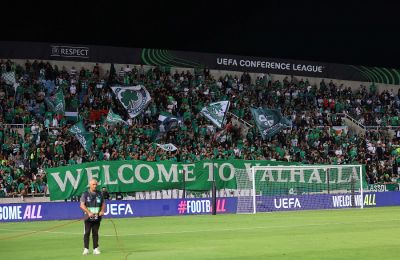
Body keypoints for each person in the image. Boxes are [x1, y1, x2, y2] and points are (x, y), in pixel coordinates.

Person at [80, 179, 105, 255]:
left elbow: (103, 204)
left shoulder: (100, 194)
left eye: (96, 184)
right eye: (93, 184)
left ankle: (95, 248)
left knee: (95, 233)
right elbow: (82, 205)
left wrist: (102, 211)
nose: (95, 186)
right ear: (90, 185)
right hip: (88, 218)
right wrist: (88, 212)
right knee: (87, 233)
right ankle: (86, 249)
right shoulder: (85, 194)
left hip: (97, 218)